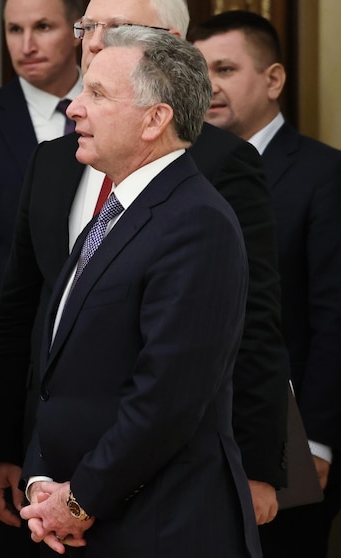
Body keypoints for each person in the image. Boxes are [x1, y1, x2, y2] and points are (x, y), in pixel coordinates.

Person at [0, 0, 290, 544]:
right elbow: (47, 349)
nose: (74, 108)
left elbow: (168, 397)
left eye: (98, 96)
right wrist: (40, 478)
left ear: (155, 119)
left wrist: (79, 499)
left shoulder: (197, 219)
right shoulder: (112, 210)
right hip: (72, 501)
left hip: (158, 520)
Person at [189, 11, 341, 557]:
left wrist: (318, 442)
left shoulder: (324, 174)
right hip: (194, 443)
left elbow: (334, 318)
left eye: (225, 69)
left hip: (291, 442)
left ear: (274, 79)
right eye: (199, 71)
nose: (209, 86)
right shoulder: (183, 172)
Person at [0, 0, 86, 289]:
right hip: (10, 311)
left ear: (78, 31)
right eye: (14, 29)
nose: (27, 46)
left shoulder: (119, 113)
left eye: (43, 27)